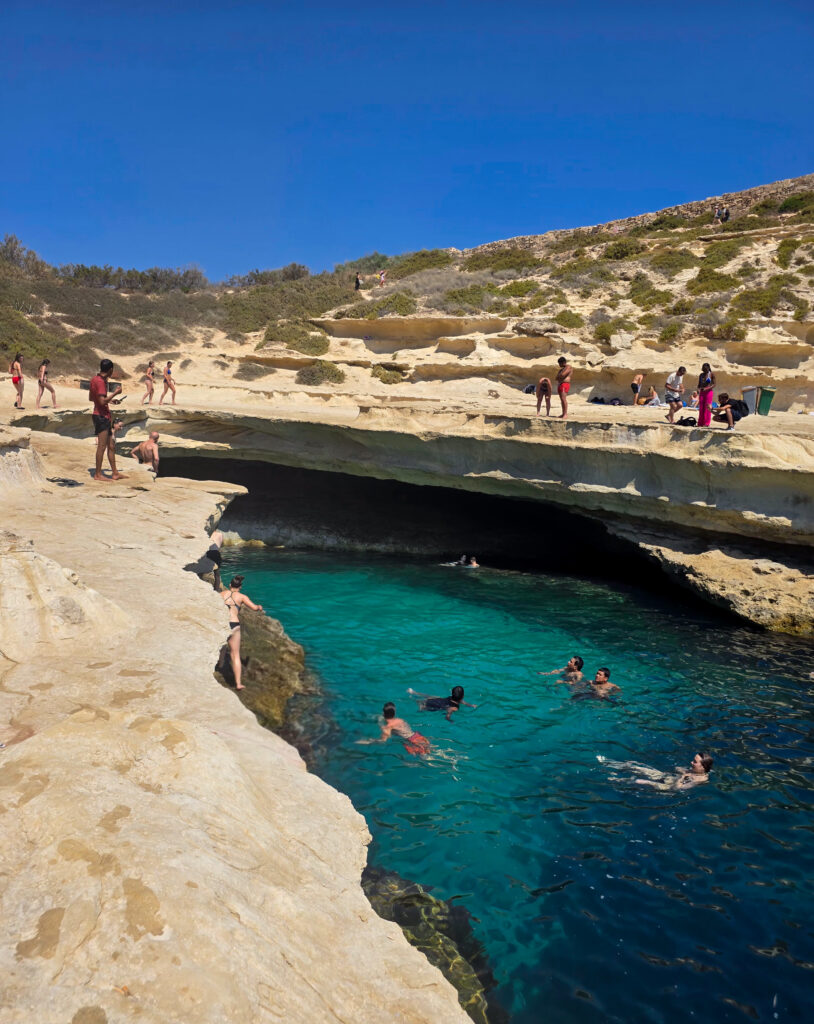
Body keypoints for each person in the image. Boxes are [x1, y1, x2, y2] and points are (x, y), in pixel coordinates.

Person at [220, 574, 263, 691]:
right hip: (234, 625)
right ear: (240, 587)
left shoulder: (221, 594)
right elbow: (254, 608)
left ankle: (219, 664)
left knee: (220, 647)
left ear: (230, 585)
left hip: (222, 624)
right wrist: (259, 607)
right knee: (235, 655)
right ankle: (238, 684)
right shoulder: (242, 597)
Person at [89, 358, 125, 481]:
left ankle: (115, 473)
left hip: (103, 415)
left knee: (111, 446)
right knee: (102, 446)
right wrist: (115, 393)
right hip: (101, 417)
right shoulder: (100, 382)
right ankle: (98, 474)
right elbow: (101, 401)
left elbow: (92, 398)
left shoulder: (95, 379)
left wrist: (110, 400)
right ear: (110, 370)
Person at [598, 752, 714, 790]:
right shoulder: (693, 770)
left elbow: (677, 789)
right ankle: (608, 763)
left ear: (703, 767)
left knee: (639, 781)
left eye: (695, 762)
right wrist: (683, 771)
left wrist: (683, 777)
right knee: (636, 767)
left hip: (668, 787)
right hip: (667, 777)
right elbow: (676, 768)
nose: (691, 762)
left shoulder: (701, 779)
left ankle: (613, 780)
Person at [356, 702, 430, 755]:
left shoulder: (387, 727)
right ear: (394, 713)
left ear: (383, 713)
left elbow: (383, 741)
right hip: (416, 735)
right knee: (430, 752)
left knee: (424, 757)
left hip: (410, 742)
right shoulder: (400, 720)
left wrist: (367, 741)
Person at [406, 684, 477, 721]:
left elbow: (464, 702)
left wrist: (471, 705)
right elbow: (449, 712)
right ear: (463, 696)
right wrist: (449, 719)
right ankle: (422, 707)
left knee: (431, 697)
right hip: (438, 706)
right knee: (425, 706)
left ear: (452, 694)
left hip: (439, 700)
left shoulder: (451, 697)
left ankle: (414, 692)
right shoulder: (455, 707)